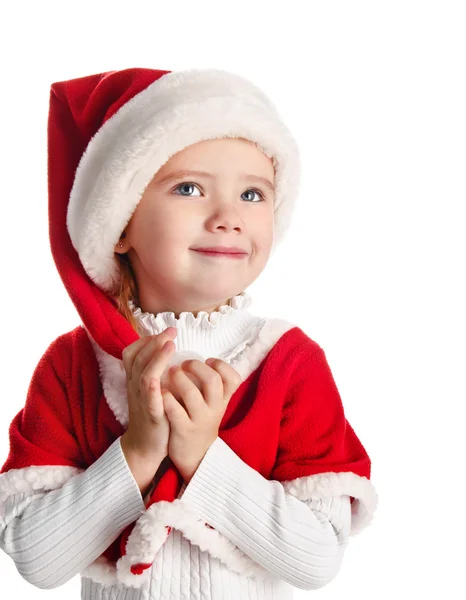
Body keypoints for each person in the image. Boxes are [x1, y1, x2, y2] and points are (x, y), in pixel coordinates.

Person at [0, 67, 378, 599]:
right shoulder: (73, 365)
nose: (228, 216)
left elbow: (316, 560)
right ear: (120, 223)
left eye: (253, 194)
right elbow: (37, 560)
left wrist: (203, 458)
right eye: (189, 188)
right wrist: (137, 452)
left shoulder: (288, 361)